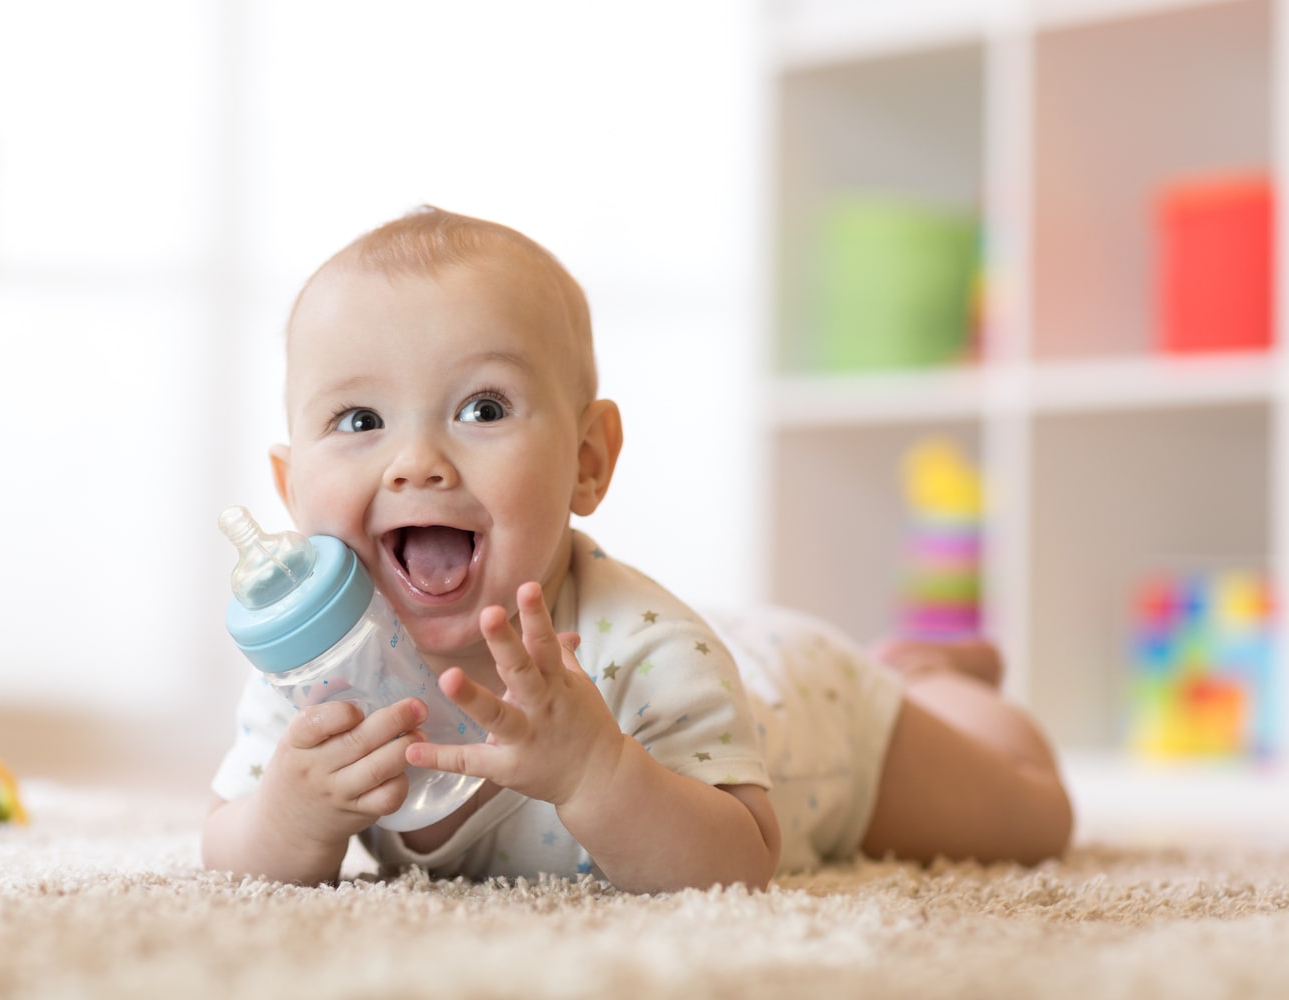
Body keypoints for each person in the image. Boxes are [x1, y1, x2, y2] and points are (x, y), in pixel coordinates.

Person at [201, 207, 1073, 893]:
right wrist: (289, 815)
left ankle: (928, 680)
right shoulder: (320, 673)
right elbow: (230, 841)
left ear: (587, 462)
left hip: (809, 713)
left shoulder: (645, 649)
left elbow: (740, 861)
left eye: (483, 409)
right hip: (737, 659)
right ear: (289, 489)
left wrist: (597, 772)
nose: (417, 463)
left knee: (1034, 818)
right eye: (358, 421)